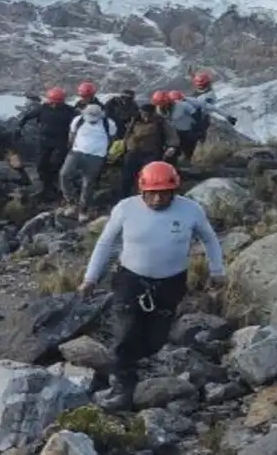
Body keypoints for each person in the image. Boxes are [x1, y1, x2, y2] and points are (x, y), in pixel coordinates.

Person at [78, 161, 225, 411]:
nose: (158, 199)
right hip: (130, 280)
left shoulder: (191, 211)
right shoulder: (125, 209)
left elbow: (209, 238)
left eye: (164, 193)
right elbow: (105, 244)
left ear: (174, 191)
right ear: (142, 190)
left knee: (155, 338)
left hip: (170, 283)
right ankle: (123, 387)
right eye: (152, 193)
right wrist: (90, 278)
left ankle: (132, 365)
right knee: (125, 331)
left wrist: (217, 270)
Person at [16, 87, 76, 197]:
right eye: (52, 102)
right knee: (42, 164)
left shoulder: (70, 111)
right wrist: (19, 127)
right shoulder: (44, 108)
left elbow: (79, 123)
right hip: (45, 140)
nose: (53, 105)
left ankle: (56, 185)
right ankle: (45, 186)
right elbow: (27, 116)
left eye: (56, 103)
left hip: (61, 141)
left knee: (57, 163)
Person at [59, 104, 117, 217]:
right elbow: (71, 135)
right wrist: (73, 147)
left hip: (96, 156)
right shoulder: (78, 120)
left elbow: (112, 138)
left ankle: (83, 209)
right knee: (64, 174)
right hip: (77, 152)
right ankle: (71, 202)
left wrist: (103, 152)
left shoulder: (108, 123)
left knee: (88, 183)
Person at [119, 102, 179, 197]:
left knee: (148, 176)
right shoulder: (134, 120)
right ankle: (124, 196)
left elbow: (172, 135)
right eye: (144, 115)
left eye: (149, 115)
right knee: (127, 176)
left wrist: (172, 146)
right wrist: (124, 145)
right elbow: (127, 133)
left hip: (151, 153)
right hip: (133, 152)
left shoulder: (160, 121)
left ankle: (145, 195)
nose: (146, 117)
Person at [185, 71, 237, 144]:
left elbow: (215, 109)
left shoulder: (203, 98)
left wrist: (228, 117)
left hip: (199, 120)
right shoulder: (207, 92)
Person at [157, 90, 200, 164]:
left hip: (187, 130)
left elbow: (195, 115)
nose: (161, 105)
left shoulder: (182, 105)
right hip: (172, 132)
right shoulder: (159, 110)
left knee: (188, 148)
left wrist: (197, 128)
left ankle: (187, 161)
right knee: (174, 150)